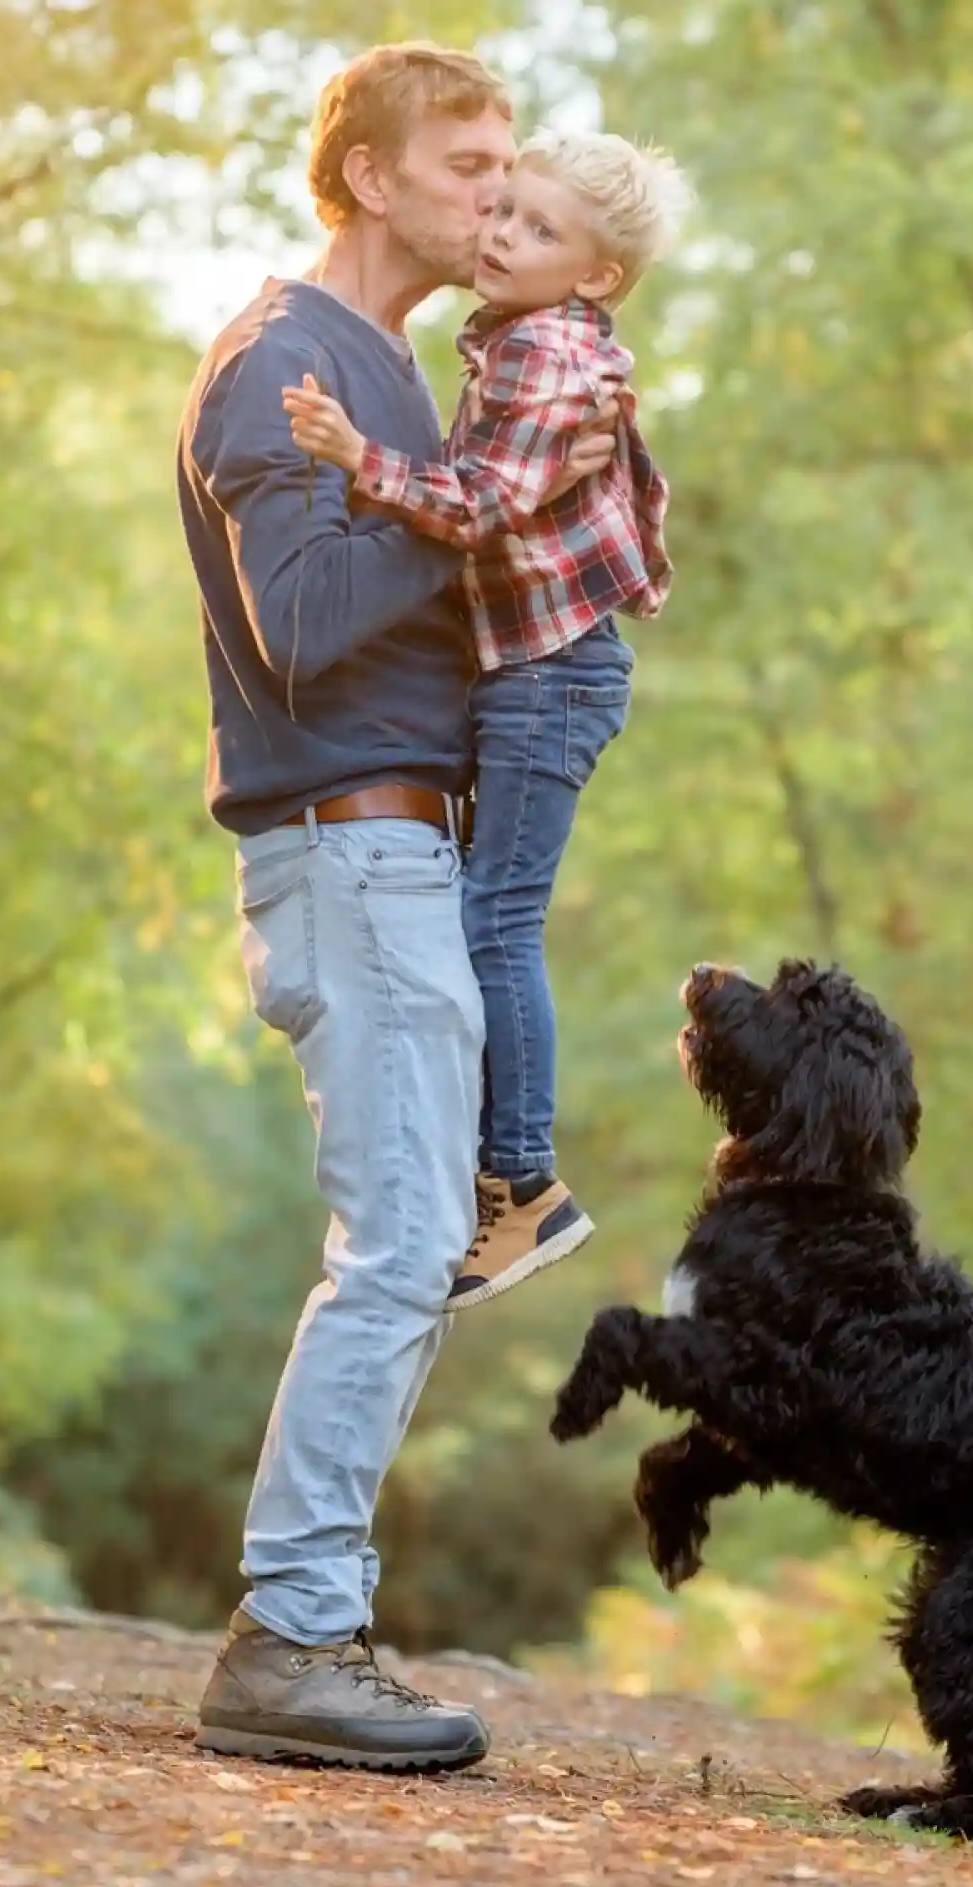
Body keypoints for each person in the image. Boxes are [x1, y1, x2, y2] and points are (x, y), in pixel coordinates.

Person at [171, 42, 616, 1771]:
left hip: (392, 851)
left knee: (415, 1242)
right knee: (402, 1247)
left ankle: (305, 1623)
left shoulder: (394, 373)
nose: (498, 196)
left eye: (512, 169)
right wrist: (478, 509)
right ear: (367, 178)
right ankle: (291, 1635)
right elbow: (300, 620)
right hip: (348, 850)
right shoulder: (280, 363)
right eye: (468, 166)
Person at [282, 128, 691, 1308]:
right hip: (535, 670)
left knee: (498, 917)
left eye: (539, 229)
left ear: (598, 275)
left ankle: (521, 1185)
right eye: (504, 211)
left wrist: (358, 457)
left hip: (553, 677)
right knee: (486, 910)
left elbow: (476, 506)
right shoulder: (535, 343)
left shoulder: (546, 359)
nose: (504, 236)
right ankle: (501, 1172)